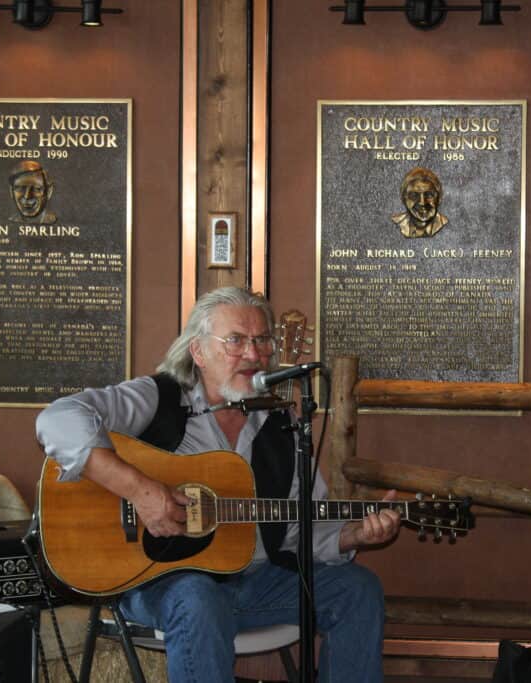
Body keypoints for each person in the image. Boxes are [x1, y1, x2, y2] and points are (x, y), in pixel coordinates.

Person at [36, 286, 401, 682]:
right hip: (159, 584)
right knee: (198, 598)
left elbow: (295, 530)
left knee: (357, 589)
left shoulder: (281, 425)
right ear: (198, 351)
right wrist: (139, 490)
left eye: (262, 340)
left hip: (257, 584)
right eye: (236, 341)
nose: (253, 354)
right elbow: (57, 420)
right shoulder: (159, 398)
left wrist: (352, 536)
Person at [391, 166, 448, 238]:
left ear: (439, 198)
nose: (422, 203)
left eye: (429, 195)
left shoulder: (446, 225)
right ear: (404, 199)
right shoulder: (393, 224)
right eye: (414, 196)